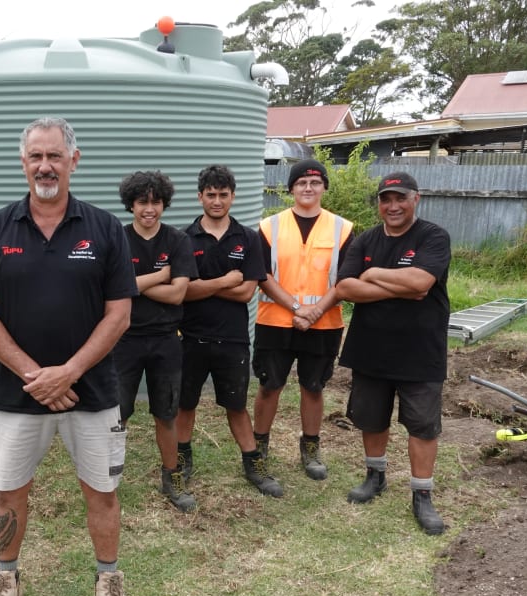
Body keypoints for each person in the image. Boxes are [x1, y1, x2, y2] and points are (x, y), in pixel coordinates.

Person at [0, 117, 139, 596]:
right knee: (8, 493)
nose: (45, 166)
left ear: (74, 161)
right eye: (36, 156)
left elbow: (119, 314)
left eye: (55, 156)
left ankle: (108, 584)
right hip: (18, 395)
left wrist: (70, 372)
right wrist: (35, 376)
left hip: (94, 393)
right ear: (23, 163)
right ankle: (5, 582)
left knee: (102, 492)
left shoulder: (105, 229)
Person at [335, 171, 451, 535]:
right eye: (386, 199)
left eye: (400, 198)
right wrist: (394, 285)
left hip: (420, 350)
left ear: (416, 199)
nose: (393, 205)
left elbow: (421, 283)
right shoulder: (365, 239)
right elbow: (345, 286)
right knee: (372, 418)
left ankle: (422, 496)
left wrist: (372, 276)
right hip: (371, 348)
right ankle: (376, 476)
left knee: (422, 425)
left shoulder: (433, 237)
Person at [174, 165, 278, 496]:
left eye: (223, 195)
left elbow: (247, 292)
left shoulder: (248, 238)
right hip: (190, 336)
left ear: (232, 196)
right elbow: (183, 292)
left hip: (232, 339)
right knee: (185, 404)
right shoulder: (184, 238)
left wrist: (204, 284)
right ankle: (181, 461)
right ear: (200, 196)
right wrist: (225, 280)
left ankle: (254, 464)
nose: (217, 201)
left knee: (236, 406)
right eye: (210, 195)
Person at [253, 160, 354, 481]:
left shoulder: (343, 228)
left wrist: (314, 312)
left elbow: (346, 279)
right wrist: (298, 308)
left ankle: (310, 449)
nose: (308, 188)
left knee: (313, 387)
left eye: (314, 182)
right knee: (270, 386)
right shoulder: (269, 226)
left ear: (324, 187)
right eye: (301, 183)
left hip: (324, 324)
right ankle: (259, 447)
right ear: (291, 189)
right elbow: (263, 276)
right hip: (275, 322)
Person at [113, 170, 198, 512]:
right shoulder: (117, 239)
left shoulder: (177, 240)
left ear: (164, 204)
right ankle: (108, 481)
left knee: (167, 414)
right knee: (117, 415)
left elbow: (178, 295)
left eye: (156, 202)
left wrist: (138, 283)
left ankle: (172, 479)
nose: (150, 209)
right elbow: (116, 289)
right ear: (130, 205)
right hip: (124, 339)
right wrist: (161, 274)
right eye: (142, 202)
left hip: (166, 340)